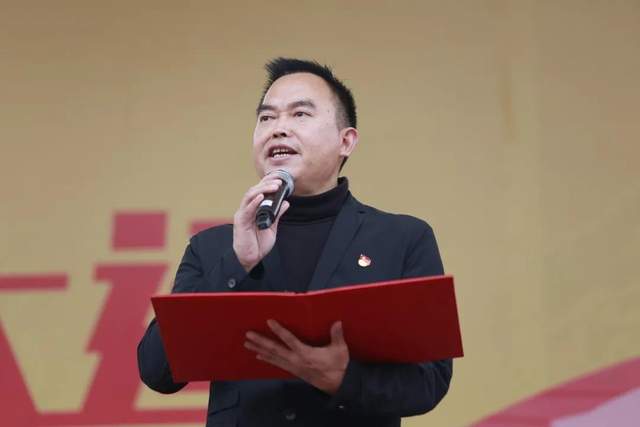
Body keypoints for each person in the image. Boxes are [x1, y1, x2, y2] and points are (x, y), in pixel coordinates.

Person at [137, 58, 452, 427]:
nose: (278, 129)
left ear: (345, 141)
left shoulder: (402, 239)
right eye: (266, 118)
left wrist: (343, 379)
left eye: (300, 114)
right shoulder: (213, 248)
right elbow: (157, 370)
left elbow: (430, 380)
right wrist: (237, 262)